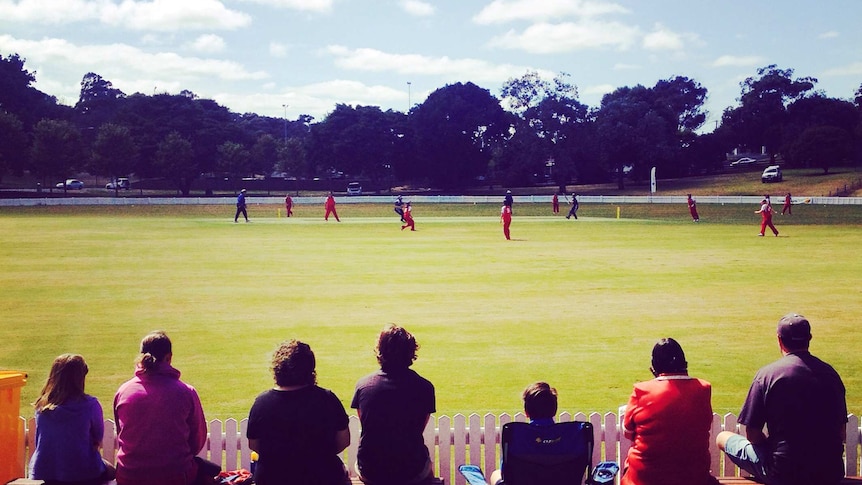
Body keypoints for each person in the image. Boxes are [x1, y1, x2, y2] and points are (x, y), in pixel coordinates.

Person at [716, 313, 847, 485]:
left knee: (722, 437)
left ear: (779, 340)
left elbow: (752, 434)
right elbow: (841, 433)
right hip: (830, 472)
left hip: (783, 472)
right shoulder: (831, 375)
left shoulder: (768, 375)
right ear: (810, 338)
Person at [247, 340, 350, 485]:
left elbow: (254, 445)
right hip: (322, 477)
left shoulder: (261, 403)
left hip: (273, 478)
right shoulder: (327, 399)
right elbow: (344, 441)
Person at [113, 331, 207, 485]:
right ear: (168, 357)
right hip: (175, 476)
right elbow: (197, 440)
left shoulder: (124, 391)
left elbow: (122, 435)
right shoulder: (185, 392)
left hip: (129, 476)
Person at [621, 339, 716, 485]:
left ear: (654, 366)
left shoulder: (642, 391)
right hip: (694, 478)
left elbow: (628, 432)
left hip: (644, 480)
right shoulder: (703, 389)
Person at [351, 324, 436, 485]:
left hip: (371, 469)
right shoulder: (424, 387)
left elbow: (366, 423)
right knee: (428, 471)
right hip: (412, 469)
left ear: (380, 351)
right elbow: (419, 427)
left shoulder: (363, 386)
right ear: (411, 352)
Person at [29, 354, 116, 485]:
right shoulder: (90, 404)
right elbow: (97, 437)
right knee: (113, 472)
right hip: (83, 472)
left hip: (47, 471)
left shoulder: (42, 406)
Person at [489, 382, 559, 485]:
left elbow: (505, 473)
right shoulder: (570, 437)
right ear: (554, 410)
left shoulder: (516, 437)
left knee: (496, 474)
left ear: (526, 412)